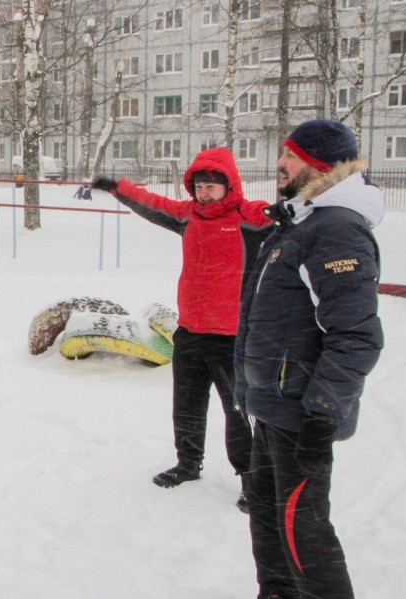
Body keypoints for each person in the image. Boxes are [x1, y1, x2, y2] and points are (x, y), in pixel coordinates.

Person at [234, 119, 384, 599]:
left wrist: (322, 412)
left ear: (320, 166)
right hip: (274, 406)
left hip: (302, 415)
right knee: (266, 512)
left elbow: (356, 336)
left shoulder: (336, 230)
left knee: (305, 533)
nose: (280, 163)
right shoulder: (300, 223)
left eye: (292, 156)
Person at [92, 147, 272, 512]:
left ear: (229, 186)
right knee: (187, 405)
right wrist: (119, 187)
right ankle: (188, 464)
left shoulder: (248, 217)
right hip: (189, 330)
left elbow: (290, 214)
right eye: (199, 186)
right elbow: (153, 203)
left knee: (237, 412)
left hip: (231, 335)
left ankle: (252, 480)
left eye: (211, 187)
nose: (204, 193)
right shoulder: (188, 215)